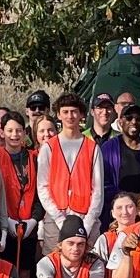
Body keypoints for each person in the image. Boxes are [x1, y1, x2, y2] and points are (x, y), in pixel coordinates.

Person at [35, 94, 104, 251]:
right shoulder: (48, 148)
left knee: (88, 268)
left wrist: (86, 224)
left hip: (86, 216)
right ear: (58, 115)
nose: (70, 116)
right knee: (53, 266)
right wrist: (59, 219)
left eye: (74, 111)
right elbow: (42, 187)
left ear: (81, 114)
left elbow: (98, 190)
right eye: (65, 112)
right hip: (55, 218)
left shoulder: (93, 148)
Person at [0, 114, 41, 278]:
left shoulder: (33, 158)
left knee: (25, 273)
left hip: (28, 225)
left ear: (24, 132)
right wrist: (6, 221)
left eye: (18, 130)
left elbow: (40, 192)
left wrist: (34, 220)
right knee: (4, 272)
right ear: (2, 132)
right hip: (5, 225)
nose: (14, 135)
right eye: (10, 130)